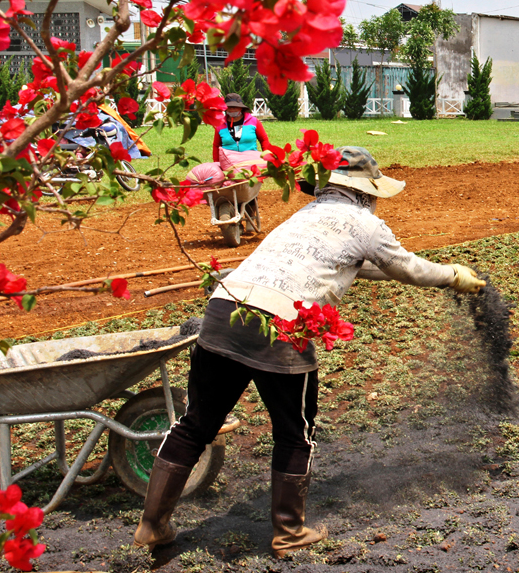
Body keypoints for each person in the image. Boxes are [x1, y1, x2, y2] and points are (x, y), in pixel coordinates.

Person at [133, 147, 487, 557]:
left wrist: (431, 277)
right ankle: (289, 532)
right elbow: (404, 265)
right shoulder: (365, 223)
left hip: (224, 309)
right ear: (364, 190)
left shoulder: (302, 217)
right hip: (281, 324)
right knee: (294, 432)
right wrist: (452, 276)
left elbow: (365, 265)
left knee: (196, 424)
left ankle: (152, 525)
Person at [212, 92, 270, 162]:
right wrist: (216, 163)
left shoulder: (254, 122)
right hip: (229, 163)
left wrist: (267, 157)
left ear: (241, 108)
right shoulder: (220, 124)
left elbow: (264, 139)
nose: (232, 110)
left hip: (251, 161)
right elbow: (216, 145)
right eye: (229, 107)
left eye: (235, 107)